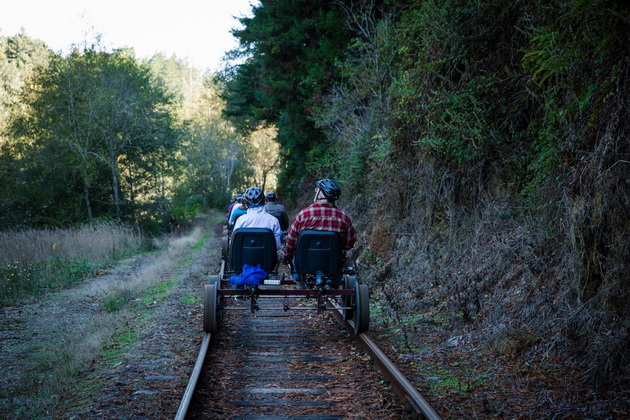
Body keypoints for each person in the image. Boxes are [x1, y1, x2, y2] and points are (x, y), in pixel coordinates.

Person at [283, 178, 356, 264]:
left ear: (320, 195)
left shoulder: (303, 215)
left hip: (305, 263)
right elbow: (349, 243)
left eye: (317, 190)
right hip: (333, 264)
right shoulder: (344, 218)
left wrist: (287, 256)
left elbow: (291, 240)